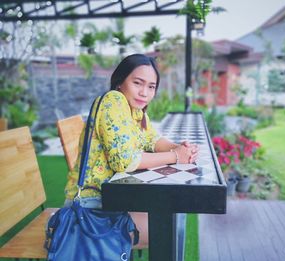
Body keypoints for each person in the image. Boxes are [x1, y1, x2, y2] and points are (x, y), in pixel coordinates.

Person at [64, 53, 199, 248]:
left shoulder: (135, 112)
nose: (144, 92)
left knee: (173, 212)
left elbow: (153, 139)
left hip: (113, 199)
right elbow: (125, 161)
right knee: (171, 223)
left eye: (151, 87)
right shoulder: (114, 100)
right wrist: (176, 156)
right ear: (120, 82)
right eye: (138, 83)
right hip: (90, 208)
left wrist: (180, 147)